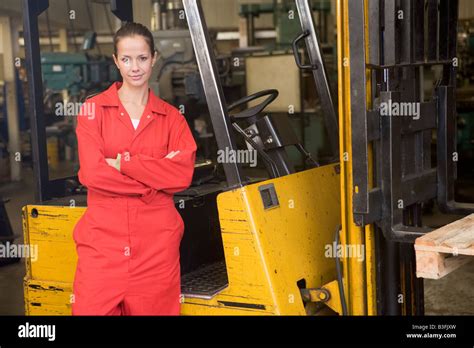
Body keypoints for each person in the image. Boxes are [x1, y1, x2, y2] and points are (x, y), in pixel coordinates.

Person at [72, 22, 197, 315]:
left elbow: (181, 175)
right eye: (126, 59)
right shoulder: (92, 112)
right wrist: (155, 181)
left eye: (142, 58)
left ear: (154, 58)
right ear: (116, 61)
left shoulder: (171, 119)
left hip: (156, 251)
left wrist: (125, 163)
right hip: (102, 249)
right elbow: (92, 173)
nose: (135, 67)